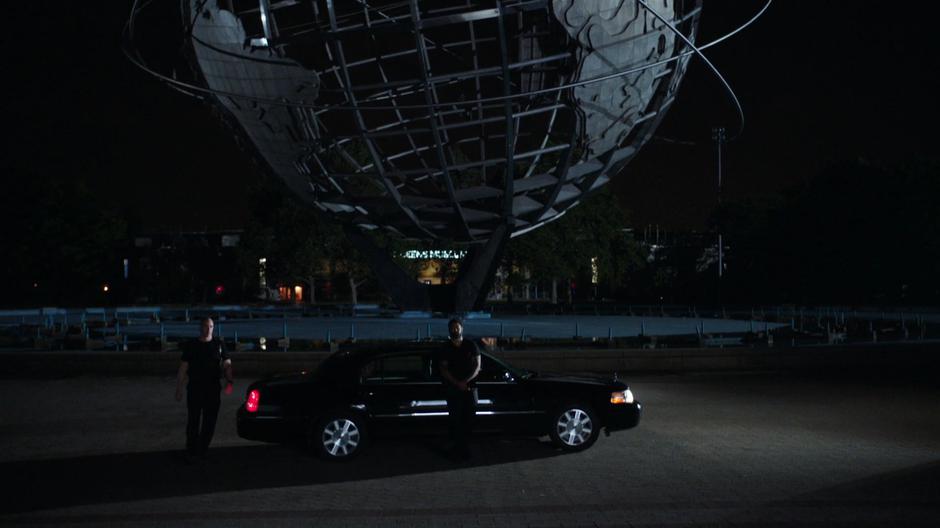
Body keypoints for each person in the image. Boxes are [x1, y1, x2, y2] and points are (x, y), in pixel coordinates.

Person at [175, 317, 233, 462]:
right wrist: (179, 388)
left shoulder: (219, 344)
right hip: (195, 388)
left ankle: (202, 449)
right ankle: (191, 449)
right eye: (206, 326)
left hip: (213, 389)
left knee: (210, 421)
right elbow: (183, 368)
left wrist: (229, 380)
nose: (209, 329)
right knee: (193, 420)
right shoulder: (192, 345)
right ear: (201, 327)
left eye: (211, 326)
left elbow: (227, 363)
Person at [437, 318, 481, 460]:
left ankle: (464, 448)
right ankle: (459, 450)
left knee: (469, 420)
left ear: (462, 328)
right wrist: (457, 383)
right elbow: (444, 369)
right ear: (449, 330)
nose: (455, 330)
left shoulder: (471, 345)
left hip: (469, 389)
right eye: (453, 328)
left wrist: (465, 381)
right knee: (456, 420)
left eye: (457, 327)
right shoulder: (445, 348)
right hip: (453, 390)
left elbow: (477, 366)